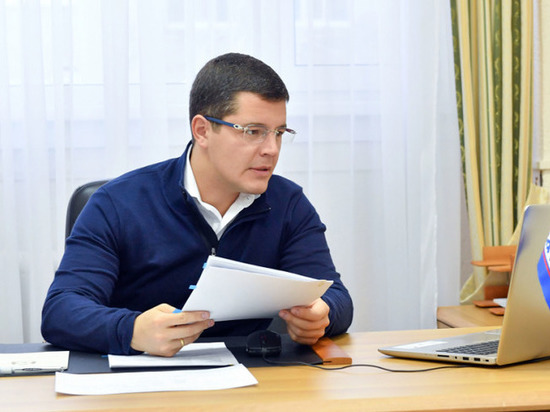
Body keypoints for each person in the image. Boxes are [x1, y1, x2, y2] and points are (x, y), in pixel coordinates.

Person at [41, 53, 353, 356]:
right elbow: (61, 310)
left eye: (279, 133)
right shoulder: (117, 203)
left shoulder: (288, 204)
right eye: (254, 132)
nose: (271, 149)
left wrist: (321, 315)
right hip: (143, 375)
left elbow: (335, 296)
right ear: (202, 130)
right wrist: (132, 330)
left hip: (253, 376)